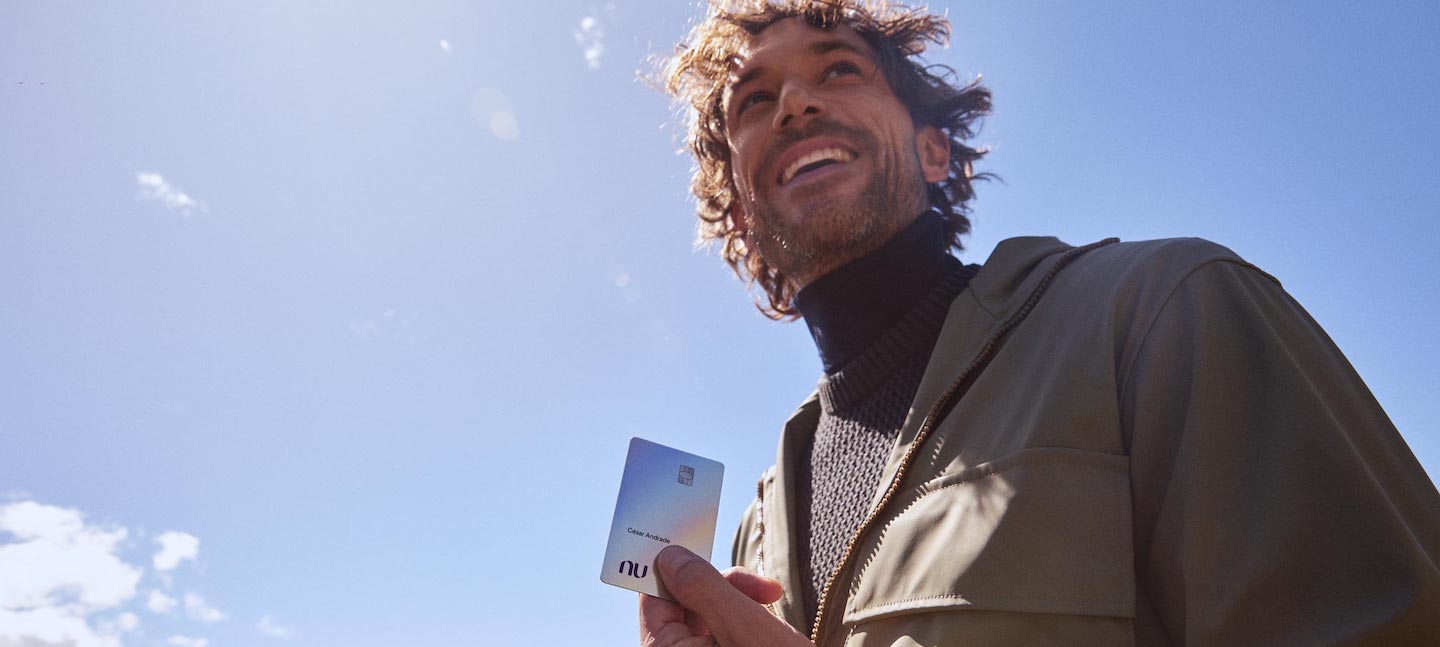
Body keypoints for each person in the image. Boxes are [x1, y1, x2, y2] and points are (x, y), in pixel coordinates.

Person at [640, 2, 1440, 646]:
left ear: (933, 153)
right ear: (741, 215)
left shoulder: (1164, 312)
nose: (796, 104)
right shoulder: (754, 534)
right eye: (755, 100)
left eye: (839, 70)